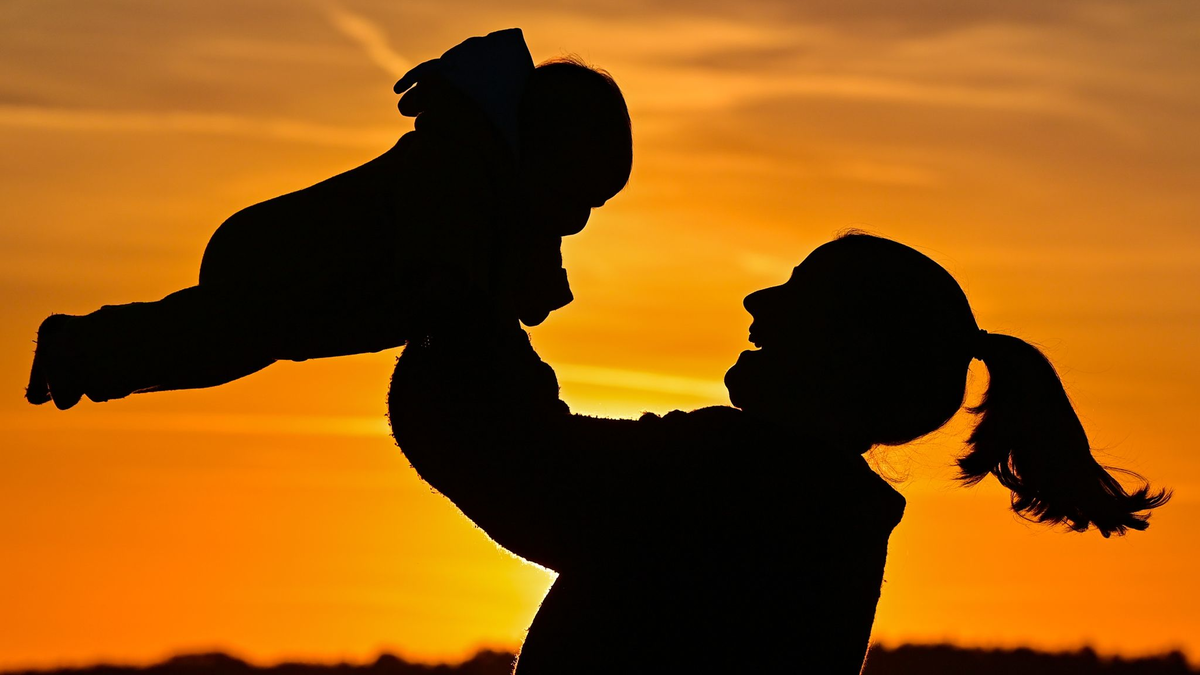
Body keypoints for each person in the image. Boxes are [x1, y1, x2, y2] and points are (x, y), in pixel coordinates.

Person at [387, 232, 1169, 674]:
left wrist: (469, 305)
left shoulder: (746, 481)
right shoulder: (820, 509)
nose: (758, 303)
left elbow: (515, 461)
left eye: (799, 291)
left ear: (849, 349)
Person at [25, 28, 632, 409]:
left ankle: (85, 353)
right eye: (576, 196)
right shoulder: (455, 170)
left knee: (223, 350)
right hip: (283, 255)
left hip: (317, 289)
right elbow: (457, 293)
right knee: (216, 342)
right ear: (539, 154)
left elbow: (511, 293)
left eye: (593, 210)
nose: (575, 223)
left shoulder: (505, 198)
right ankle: (78, 346)